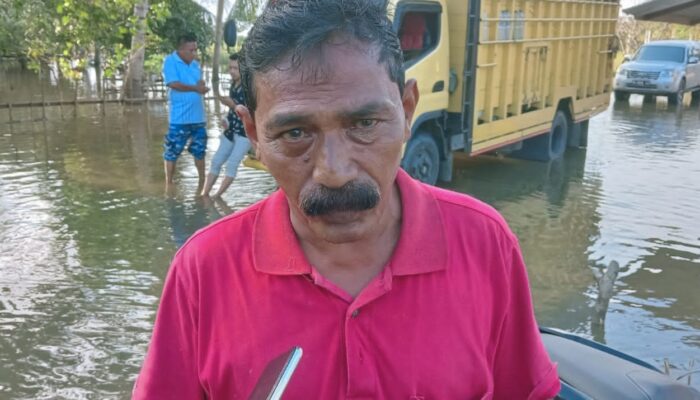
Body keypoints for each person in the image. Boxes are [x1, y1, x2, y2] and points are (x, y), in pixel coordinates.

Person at [133, 1, 560, 399]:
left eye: (365, 123)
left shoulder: (485, 244)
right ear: (252, 134)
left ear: (407, 111)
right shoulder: (203, 272)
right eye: (295, 133)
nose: (333, 171)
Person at [162, 33, 209, 190]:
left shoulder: (195, 65)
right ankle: (169, 183)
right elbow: (173, 84)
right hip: (179, 119)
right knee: (172, 151)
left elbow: (198, 83)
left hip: (198, 117)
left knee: (200, 150)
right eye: (191, 50)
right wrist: (196, 88)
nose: (194, 53)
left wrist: (201, 85)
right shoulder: (170, 61)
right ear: (181, 50)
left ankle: (202, 181)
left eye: (196, 50)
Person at [201, 53, 251, 197]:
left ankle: (217, 197)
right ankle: (205, 194)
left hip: (245, 132)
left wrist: (233, 105)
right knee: (216, 161)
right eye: (230, 68)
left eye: (235, 68)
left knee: (231, 164)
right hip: (231, 130)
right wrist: (227, 120)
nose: (231, 71)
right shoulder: (234, 85)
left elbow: (251, 113)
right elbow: (232, 111)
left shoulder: (249, 88)